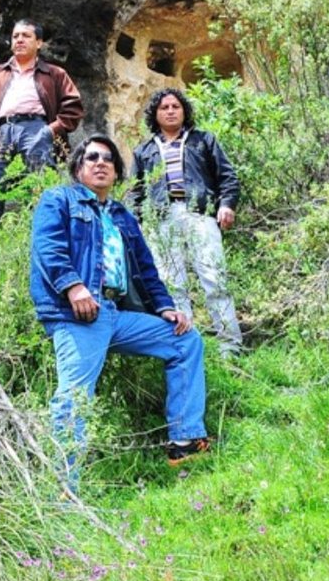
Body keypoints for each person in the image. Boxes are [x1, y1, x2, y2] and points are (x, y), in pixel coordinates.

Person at [30, 134, 211, 490]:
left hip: (115, 313)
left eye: (108, 159)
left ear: (116, 172)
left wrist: (165, 307)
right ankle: (63, 489)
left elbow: (145, 268)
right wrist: (73, 286)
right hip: (78, 315)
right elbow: (48, 248)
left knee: (185, 340)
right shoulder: (59, 200)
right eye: (92, 157)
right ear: (78, 168)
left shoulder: (121, 215)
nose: (101, 163)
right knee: (74, 397)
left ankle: (185, 440)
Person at [131, 88, 244, 355]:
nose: (170, 111)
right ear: (155, 114)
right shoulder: (145, 150)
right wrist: (138, 222)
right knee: (172, 283)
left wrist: (226, 205)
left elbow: (228, 177)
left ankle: (230, 347)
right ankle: (186, 345)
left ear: (184, 111)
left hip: (199, 214)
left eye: (176, 106)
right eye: (164, 107)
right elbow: (135, 191)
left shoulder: (203, 140)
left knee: (214, 278)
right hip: (161, 219)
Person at [0, 20, 83, 223]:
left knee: (39, 184)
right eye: (15, 36)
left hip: (37, 129)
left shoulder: (55, 74)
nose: (19, 40)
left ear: (39, 43)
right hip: (2, 131)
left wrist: (51, 130)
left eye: (26, 36)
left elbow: (73, 107)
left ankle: (42, 234)